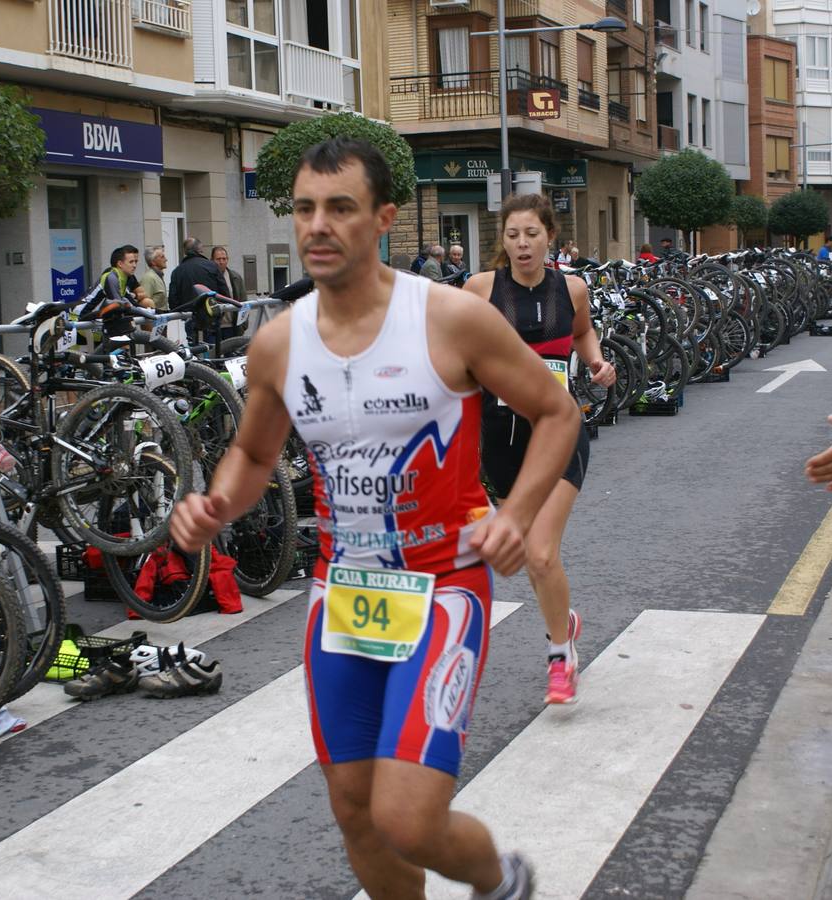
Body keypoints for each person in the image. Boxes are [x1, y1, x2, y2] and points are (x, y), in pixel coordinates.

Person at [170, 136, 581, 900]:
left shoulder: (452, 319)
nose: (318, 225)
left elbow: (558, 411)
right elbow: (254, 456)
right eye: (304, 208)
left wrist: (516, 514)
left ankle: (501, 879)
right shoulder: (279, 343)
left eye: (341, 208)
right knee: (355, 811)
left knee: (409, 818)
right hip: (345, 597)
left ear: (384, 217)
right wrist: (218, 502)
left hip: (445, 590)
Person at [463, 192, 617, 705]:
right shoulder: (480, 288)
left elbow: (582, 332)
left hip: (559, 433)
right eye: (512, 235)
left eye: (531, 234)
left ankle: (560, 656)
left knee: (541, 552)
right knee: (535, 561)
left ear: (550, 235)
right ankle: (564, 621)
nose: (522, 244)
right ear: (501, 241)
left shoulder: (571, 288)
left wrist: (596, 362)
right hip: (502, 440)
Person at [168, 236, 227, 339]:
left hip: (190, 318)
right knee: (214, 349)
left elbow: (173, 301)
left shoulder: (177, 271)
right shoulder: (212, 266)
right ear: (200, 250)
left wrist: (183, 312)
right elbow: (224, 293)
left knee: (194, 351)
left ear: (185, 252)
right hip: (211, 316)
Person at [139, 245, 169, 311]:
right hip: (154, 319)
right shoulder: (149, 278)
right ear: (153, 262)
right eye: (162, 257)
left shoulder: (157, 276)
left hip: (161, 318)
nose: (166, 259)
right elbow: (144, 304)